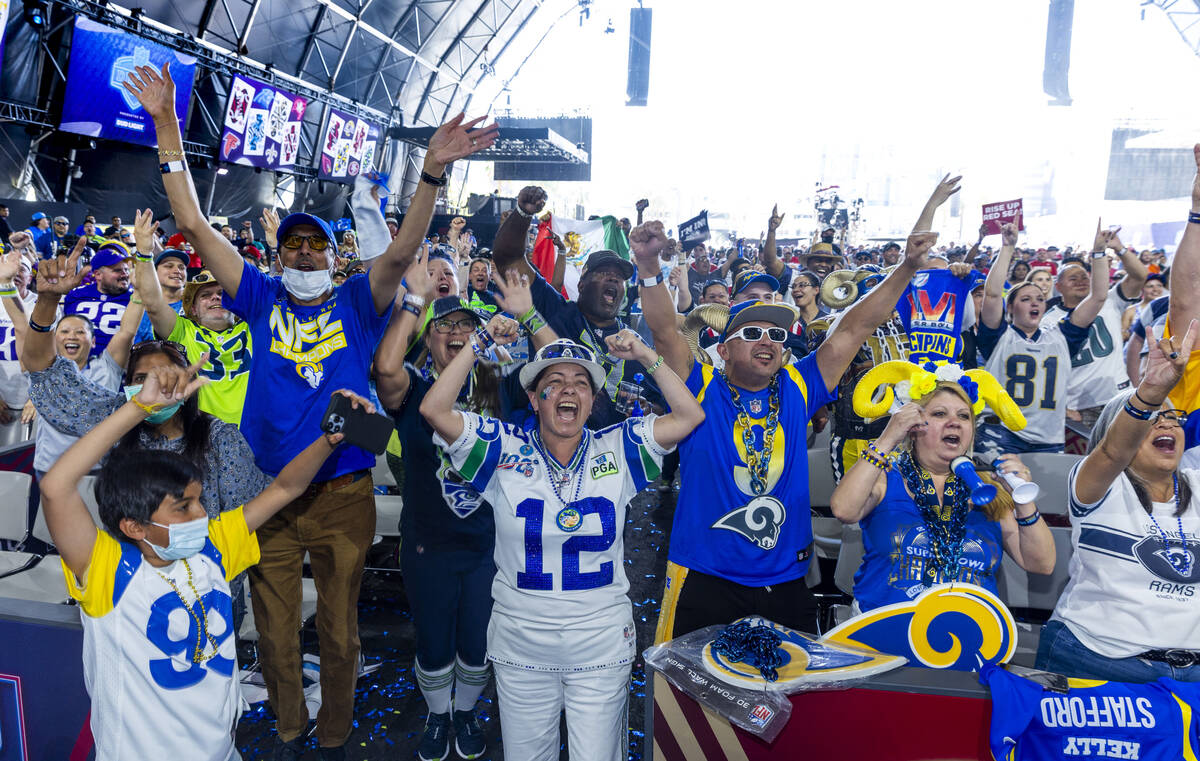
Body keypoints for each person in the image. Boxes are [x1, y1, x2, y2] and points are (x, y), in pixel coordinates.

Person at [123, 59, 496, 759]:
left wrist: (431, 172)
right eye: (292, 242)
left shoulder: (358, 298)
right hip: (269, 491)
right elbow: (195, 224)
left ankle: (334, 734)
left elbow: (408, 247)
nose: (302, 250)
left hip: (345, 488)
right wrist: (169, 127)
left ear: (334, 255)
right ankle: (291, 732)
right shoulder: (257, 294)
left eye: (315, 242)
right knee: (272, 628)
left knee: (342, 630)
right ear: (275, 252)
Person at [633, 211, 941, 641]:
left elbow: (857, 326)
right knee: (691, 701)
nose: (768, 342)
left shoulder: (800, 385)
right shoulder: (699, 386)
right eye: (753, 332)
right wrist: (649, 268)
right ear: (722, 349)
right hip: (704, 575)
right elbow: (666, 331)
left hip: (786, 579)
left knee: (792, 700)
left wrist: (906, 268)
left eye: (777, 336)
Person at [41, 358, 367, 760]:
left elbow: (285, 488)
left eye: (197, 501)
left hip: (222, 750)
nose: (201, 514)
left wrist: (329, 441)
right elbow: (56, 487)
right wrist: (139, 408)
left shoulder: (212, 548)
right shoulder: (109, 569)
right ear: (134, 527)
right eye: (183, 507)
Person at [421, 327, 704, 761]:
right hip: (521, 642)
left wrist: (645, 353)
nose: (568, 390)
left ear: (592, 401)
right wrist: (477, 344)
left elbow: (689, 416)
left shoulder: (620, 446)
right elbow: (434, 408)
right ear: (534, 399)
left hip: (599, 640)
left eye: (581, 383)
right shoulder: (502, 448)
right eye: (554, 383)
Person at [376, 259, 556, 761]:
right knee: (434, 641)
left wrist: (529, 315)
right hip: (427, 543)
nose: (456, 332)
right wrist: (412, 303)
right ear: (429, 337)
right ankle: (437, 715)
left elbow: (561, 372)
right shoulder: (412, 388)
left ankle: (465, 712)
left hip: (491, 545)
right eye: (445, 326)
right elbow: (384, 368)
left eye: (467, 326)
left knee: (477, 641)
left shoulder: (500, 383)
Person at [1034, 320, 1200, 681]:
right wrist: (1150, 392)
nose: (1167, 425)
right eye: (1152, 420)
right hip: (1098, 659)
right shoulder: (1097, 485)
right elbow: (1112, 453)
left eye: (1174, 418)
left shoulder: (1197, 485)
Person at [831, 369, 1054, 612]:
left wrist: (1023, 499)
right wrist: (887, 439)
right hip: (883, 632)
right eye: (939, 413)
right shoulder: (885, 477)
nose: (954, 422)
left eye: (964, 416)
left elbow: (1041, 564)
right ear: (913, 428)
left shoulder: (988, 490)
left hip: (971, 632)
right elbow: (844, 510)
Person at [491, 186, 652, 428]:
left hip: (614, 454)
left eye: (618, 278)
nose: (613, 280)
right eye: (604, 274)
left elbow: (659, 402)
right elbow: (509, 260)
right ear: (582, 283)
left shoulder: (634, 342)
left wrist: (649, 408)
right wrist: (523, 214)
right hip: (551, 447)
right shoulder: (556, 309)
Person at [976, 219, 1106, 454]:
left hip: (1049, 437)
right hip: (1002, 434)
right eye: (1025, 299)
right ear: (1011, 308)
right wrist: (1007, 247)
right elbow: (993, 294)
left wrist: (1098, 253)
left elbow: (1098, 297)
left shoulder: (1062, 336)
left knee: (1046, 491)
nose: (1034, 302)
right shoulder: (998, 338)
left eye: (1039, 298)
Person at [22, 241, 142, 478]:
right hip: (50, 470)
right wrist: (48, 299)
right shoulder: (48, 375)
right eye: (65, 331)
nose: (72, 336)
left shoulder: (107, 368)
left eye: (80, 332)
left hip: (100, 469)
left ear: (94, 339)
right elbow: (29, 336)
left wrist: (140, 291)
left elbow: (127, 332)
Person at [132, 210, 252, 426]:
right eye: (205, 295)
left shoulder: (253, 327)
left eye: (222, 293)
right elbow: (152, 302)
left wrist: (275, 249)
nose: (215, 297)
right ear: (193, 309)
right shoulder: (183, 330)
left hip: (253, 434)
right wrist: (143, 252)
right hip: (199, 436)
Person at [1042, 228, 1146, 425]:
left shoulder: (1110, 300)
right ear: (1059, 286)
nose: (1081, 281)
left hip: (1119, 395)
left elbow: (1140, 276)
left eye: (1084, 277)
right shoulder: (1048, 320)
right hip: (1078, 406)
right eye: (1073, 278)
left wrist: (1119, 249)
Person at [63, 241, 133, 358]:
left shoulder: (135, 298)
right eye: (117, 270)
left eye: (126, 270)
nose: (124, 274)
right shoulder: (76, 294)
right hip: (74, 361)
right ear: (98, 275)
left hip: (117, 364)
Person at [133, 248, 189, 343]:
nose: (177, 271)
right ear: (154, 272)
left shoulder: (195, 306)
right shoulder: (140, 305)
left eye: (181, 267)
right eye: (169, 266)